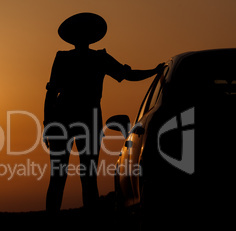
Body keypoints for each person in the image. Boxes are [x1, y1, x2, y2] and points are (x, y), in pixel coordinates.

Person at [43, 12, 164, 215]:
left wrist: (153, 71)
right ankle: (59, 227)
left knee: (78, 176)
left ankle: (79, 226)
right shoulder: (74, 58)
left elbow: (127, 74)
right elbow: (51, 92)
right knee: (69, 176)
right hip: (72, 119)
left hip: (76, 119)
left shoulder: (93, 58)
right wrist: (48, 124)